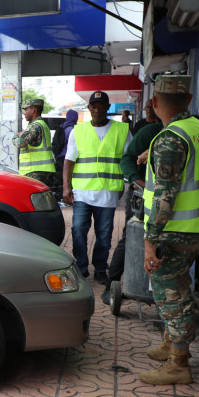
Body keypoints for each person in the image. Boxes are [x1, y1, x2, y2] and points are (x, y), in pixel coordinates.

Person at [139, 74, 199, 386]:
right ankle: (172, 343)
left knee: (172, 296)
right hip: (193, 228)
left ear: (156, 102)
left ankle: (178, 363)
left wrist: (149, 241)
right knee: (177, 290)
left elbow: (165, 196)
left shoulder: (171, 139)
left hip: (171, 234)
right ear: (188, 99)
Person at [62, 91, 132, 283]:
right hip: (83, 192)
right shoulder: (79, 131)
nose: (97, 109)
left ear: (108, 108)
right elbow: (69, 160)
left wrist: (132, 181)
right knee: (78, 230)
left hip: (108, 192)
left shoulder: (122, 130)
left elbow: (129, 159)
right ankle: (82, 266)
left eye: (101, 106)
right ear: (89, 108)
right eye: (93, 106)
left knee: (104, 234)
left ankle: (100, 268)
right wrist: (66, 187)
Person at [101, 120, 164, 304]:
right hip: (142, 196)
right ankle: (110, 285)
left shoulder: (191, 131)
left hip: (174, 203)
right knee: (131, 237)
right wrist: (138, 182)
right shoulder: (151, 131)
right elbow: (127, 159)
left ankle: (157, 290)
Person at [14, 98, 55, 187]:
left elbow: (21, 143)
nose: (24, 113)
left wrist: (15, 137)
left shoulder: (35, 126)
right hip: (43, 170)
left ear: (33, 110)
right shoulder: (42, 124)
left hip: (35, 171)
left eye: (26, 109)